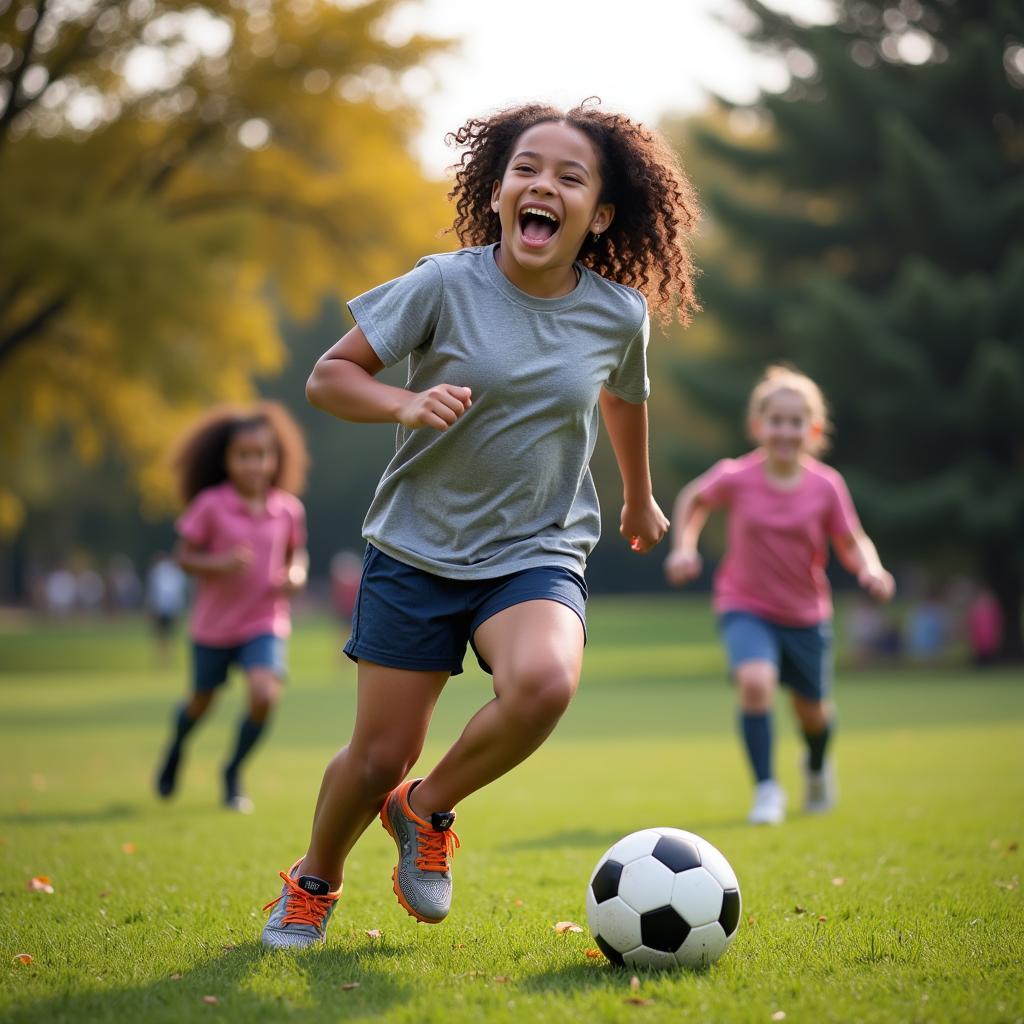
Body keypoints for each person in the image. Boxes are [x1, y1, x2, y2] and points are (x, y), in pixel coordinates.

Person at [260, 99, 700, 949]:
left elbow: (623, 396)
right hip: (416, 550)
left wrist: (638, 495)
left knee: (543, 683)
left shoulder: (618, 314)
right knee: (377, 754)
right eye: (526, 170)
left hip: (535, 549)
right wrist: (404, 399)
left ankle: (424, 811)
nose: (544, 186)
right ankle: (315, 879)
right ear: (499, 193)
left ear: (599, 214)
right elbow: (327, 378)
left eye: (570, 177)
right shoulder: (442, 284)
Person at [664, 366, 895, 825]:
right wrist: (683, 549)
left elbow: (852, 541)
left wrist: (871, 569)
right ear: (758, 425)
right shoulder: (737, 476)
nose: (784, 431)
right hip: (745, 605)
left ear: (812, 429)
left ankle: (814, 767)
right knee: (755, 683)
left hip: (806, 614)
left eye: (795, 422)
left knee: (812, 714)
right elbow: (694, 500)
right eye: (776, 420)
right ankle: (767, 790)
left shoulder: (826, 485)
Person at [155, 402, 309, 813]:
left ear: (275, 459)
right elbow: (184, 557)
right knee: (201, 702)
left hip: (265, 620)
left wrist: (295, 574)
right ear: (227, 459)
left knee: (264, 695)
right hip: (213, 626)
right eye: (244, 455)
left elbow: (297, 554)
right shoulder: (210, 505)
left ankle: (233, 772)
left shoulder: (288, 509)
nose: (254, 464)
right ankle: (177, 746)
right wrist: (218, 563)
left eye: (262, 454)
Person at [145, 551, 188, 667]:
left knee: (166, 636)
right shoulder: (163, 571)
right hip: (163, 608)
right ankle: (163, 660)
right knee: (162, 636)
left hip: (168, 608)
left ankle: (165, 660)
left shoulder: (170, 572)